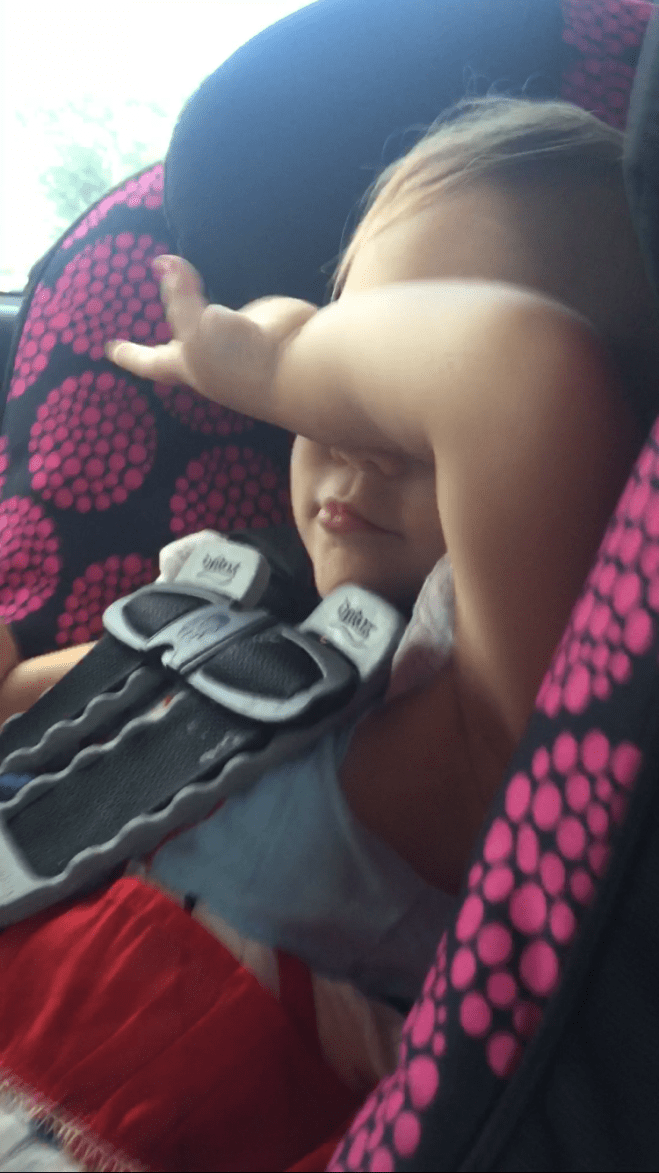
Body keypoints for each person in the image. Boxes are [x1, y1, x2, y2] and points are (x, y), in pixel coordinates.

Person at [0, 96, 657, 1173]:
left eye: (382, 374)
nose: (355, 432)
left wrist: (284, 359)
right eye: (356, 326)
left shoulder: (476, 714)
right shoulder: (226, 607)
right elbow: (27, 708)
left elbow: (517, 370)